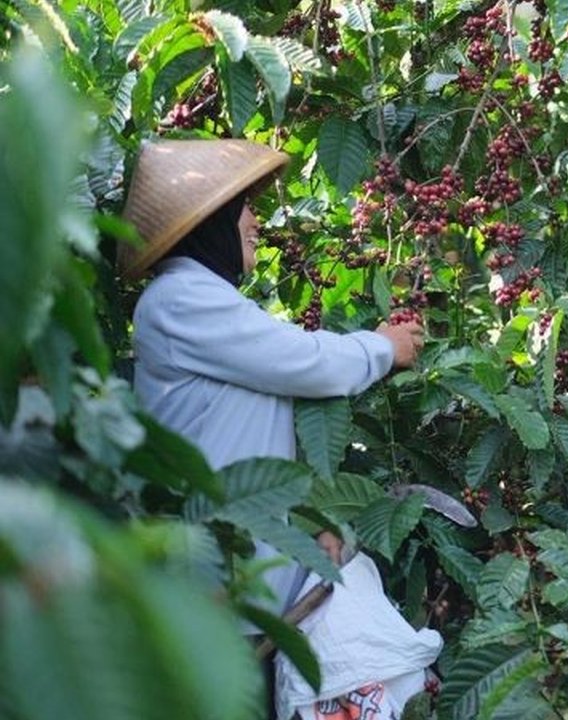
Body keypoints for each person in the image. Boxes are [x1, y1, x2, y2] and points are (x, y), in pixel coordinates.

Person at [122, 139, 442, 720]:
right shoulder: (180, 298)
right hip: (215, 585)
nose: (256, 221)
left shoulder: (202, 299)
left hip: (245, 582)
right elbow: (304, 361)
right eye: (244, 207)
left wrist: (308, 525)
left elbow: (248, 429)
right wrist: (382, 348)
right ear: (212, 220)